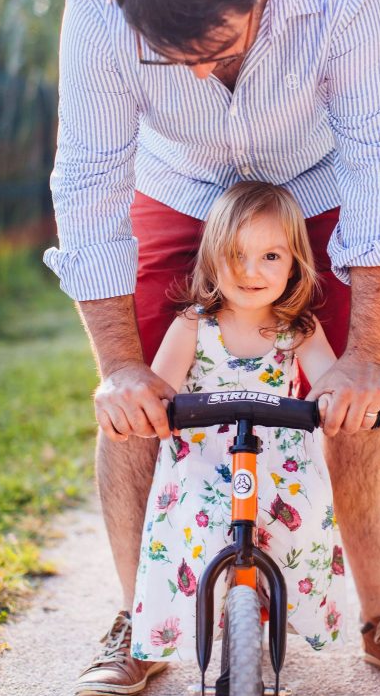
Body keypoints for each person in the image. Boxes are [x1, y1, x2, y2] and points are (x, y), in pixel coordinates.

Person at [44, 0, 380, 696]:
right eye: (174, 59)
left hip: (313, 182)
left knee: (357, 394)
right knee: (134, 398)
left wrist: (366, 356)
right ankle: (141, 619)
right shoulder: (97, 9)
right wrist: (119, 366)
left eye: (218, 47)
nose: (201, 72)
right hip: (178, 188)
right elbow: (90, 181)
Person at [129, 181, 347, 668]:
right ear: (211, 258)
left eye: (271, 256)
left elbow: (331, 383)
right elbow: (161, 389)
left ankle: (286, 606)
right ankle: (199, 614)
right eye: (236, 255)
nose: (251, 272)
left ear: (294, 262)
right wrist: (151, 409)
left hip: (279, 464)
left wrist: (333, 402)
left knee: (305, 521)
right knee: (199, 525)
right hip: (206, 462)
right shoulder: (193, 325)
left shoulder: (300, 328)